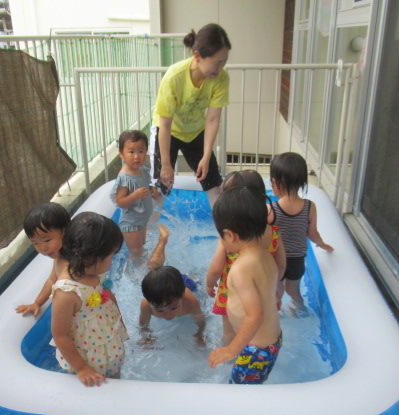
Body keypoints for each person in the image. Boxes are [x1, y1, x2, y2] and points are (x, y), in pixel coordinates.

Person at [151, 23, 231, 207]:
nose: (220, 68)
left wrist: (206, 156)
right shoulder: (174, 77)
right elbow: (165, 124)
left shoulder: (221, 78)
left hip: (195, 132)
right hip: (168, 133)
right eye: (217, 62)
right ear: (197, 56)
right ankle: (152, 225)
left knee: (213, 184)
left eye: (224, 62)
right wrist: (166, 164)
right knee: (160, 188)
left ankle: (222, 224)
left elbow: (212, 119)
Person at [208, 186, 282, 385]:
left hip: (255, 351)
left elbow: (255, 314)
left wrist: (231, 349)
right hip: (271, 341)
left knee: (239, 395)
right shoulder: (265, 255)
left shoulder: (241, 269)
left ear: (229, 235)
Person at [205, 170, 285, 345]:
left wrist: (209, 284)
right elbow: (281, 265)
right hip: (265, 291)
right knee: (260, 333)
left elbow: (216, 269)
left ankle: (229, 355)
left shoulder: (229, 237)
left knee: (229, 333)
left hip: (232, 293)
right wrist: (273, 284)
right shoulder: (274, 233)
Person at [51, 212, 129, 387]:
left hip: (108, 340)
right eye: (110, 256)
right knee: (95, 384)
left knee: (114, 379)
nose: (112, 260)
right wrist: (81, 368)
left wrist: (120, 323)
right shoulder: (67, 292)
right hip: (86, 354)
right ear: (90, 257)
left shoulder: (96, 272)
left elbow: (108, 296)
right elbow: (60, 335)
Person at [269, 152, 334, 316]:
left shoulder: (271, 210)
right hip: (297, 260)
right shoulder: (309, 207)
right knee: (293, 290)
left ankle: (275, 316)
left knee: (276, 290)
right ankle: (301, 308)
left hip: (277, 259)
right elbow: (312, 233)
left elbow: (263, 236)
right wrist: (322, 244)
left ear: (276, 183)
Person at [110, 129, 168, 270]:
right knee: (138, 253)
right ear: (121, 153)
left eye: (141, 151)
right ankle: (139, 274)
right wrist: (134, 195)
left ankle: (132, 271)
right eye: (131, 152)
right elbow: (120, 202)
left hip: (142, 221)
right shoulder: (124, 177)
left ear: (146, 151)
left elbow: (146, 185)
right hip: (130, 223)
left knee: (140, 250)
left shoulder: (143, 171)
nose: (136, 156)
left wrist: (152, 190)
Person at [15, 202, 71, 317]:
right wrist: (37, 303)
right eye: (35, 243)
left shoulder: (77, 258)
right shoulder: (58, 260)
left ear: (65, 232)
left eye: (47, 240)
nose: (43, 248)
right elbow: (51, 281)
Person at [139, 266, 207, 347]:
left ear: (182, 297)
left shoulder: (190, 302)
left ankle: (193, 275)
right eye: (160, 310)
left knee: (197, 284)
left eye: (173, 308)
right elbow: (143, 325)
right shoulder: (146, 306)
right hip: (168, 287)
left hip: (187, 284)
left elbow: (201, 320)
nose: (168, 316)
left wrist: (199, 335)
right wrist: (146, 338)